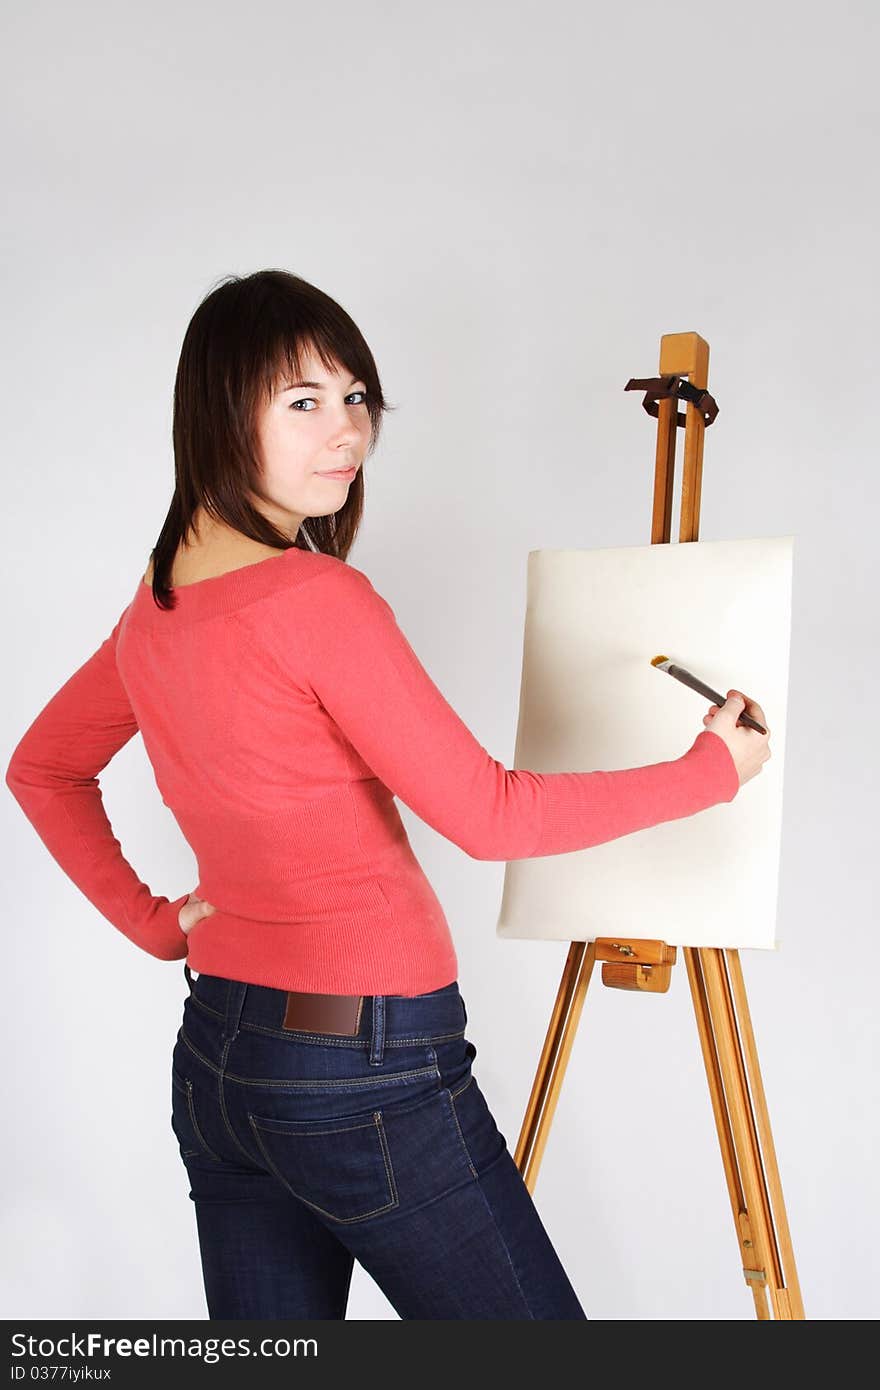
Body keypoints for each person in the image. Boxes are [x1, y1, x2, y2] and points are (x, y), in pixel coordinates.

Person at [5, 269, 771, 1320]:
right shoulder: (319, 601)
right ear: (221, 413)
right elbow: (486, 814)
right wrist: (707, 775)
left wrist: (158, 927)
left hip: (220, 1063)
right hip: (364, 1074)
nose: (347, 430)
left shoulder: (157, 608)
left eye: (356, 396)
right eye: (303, 401)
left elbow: (39, 766)